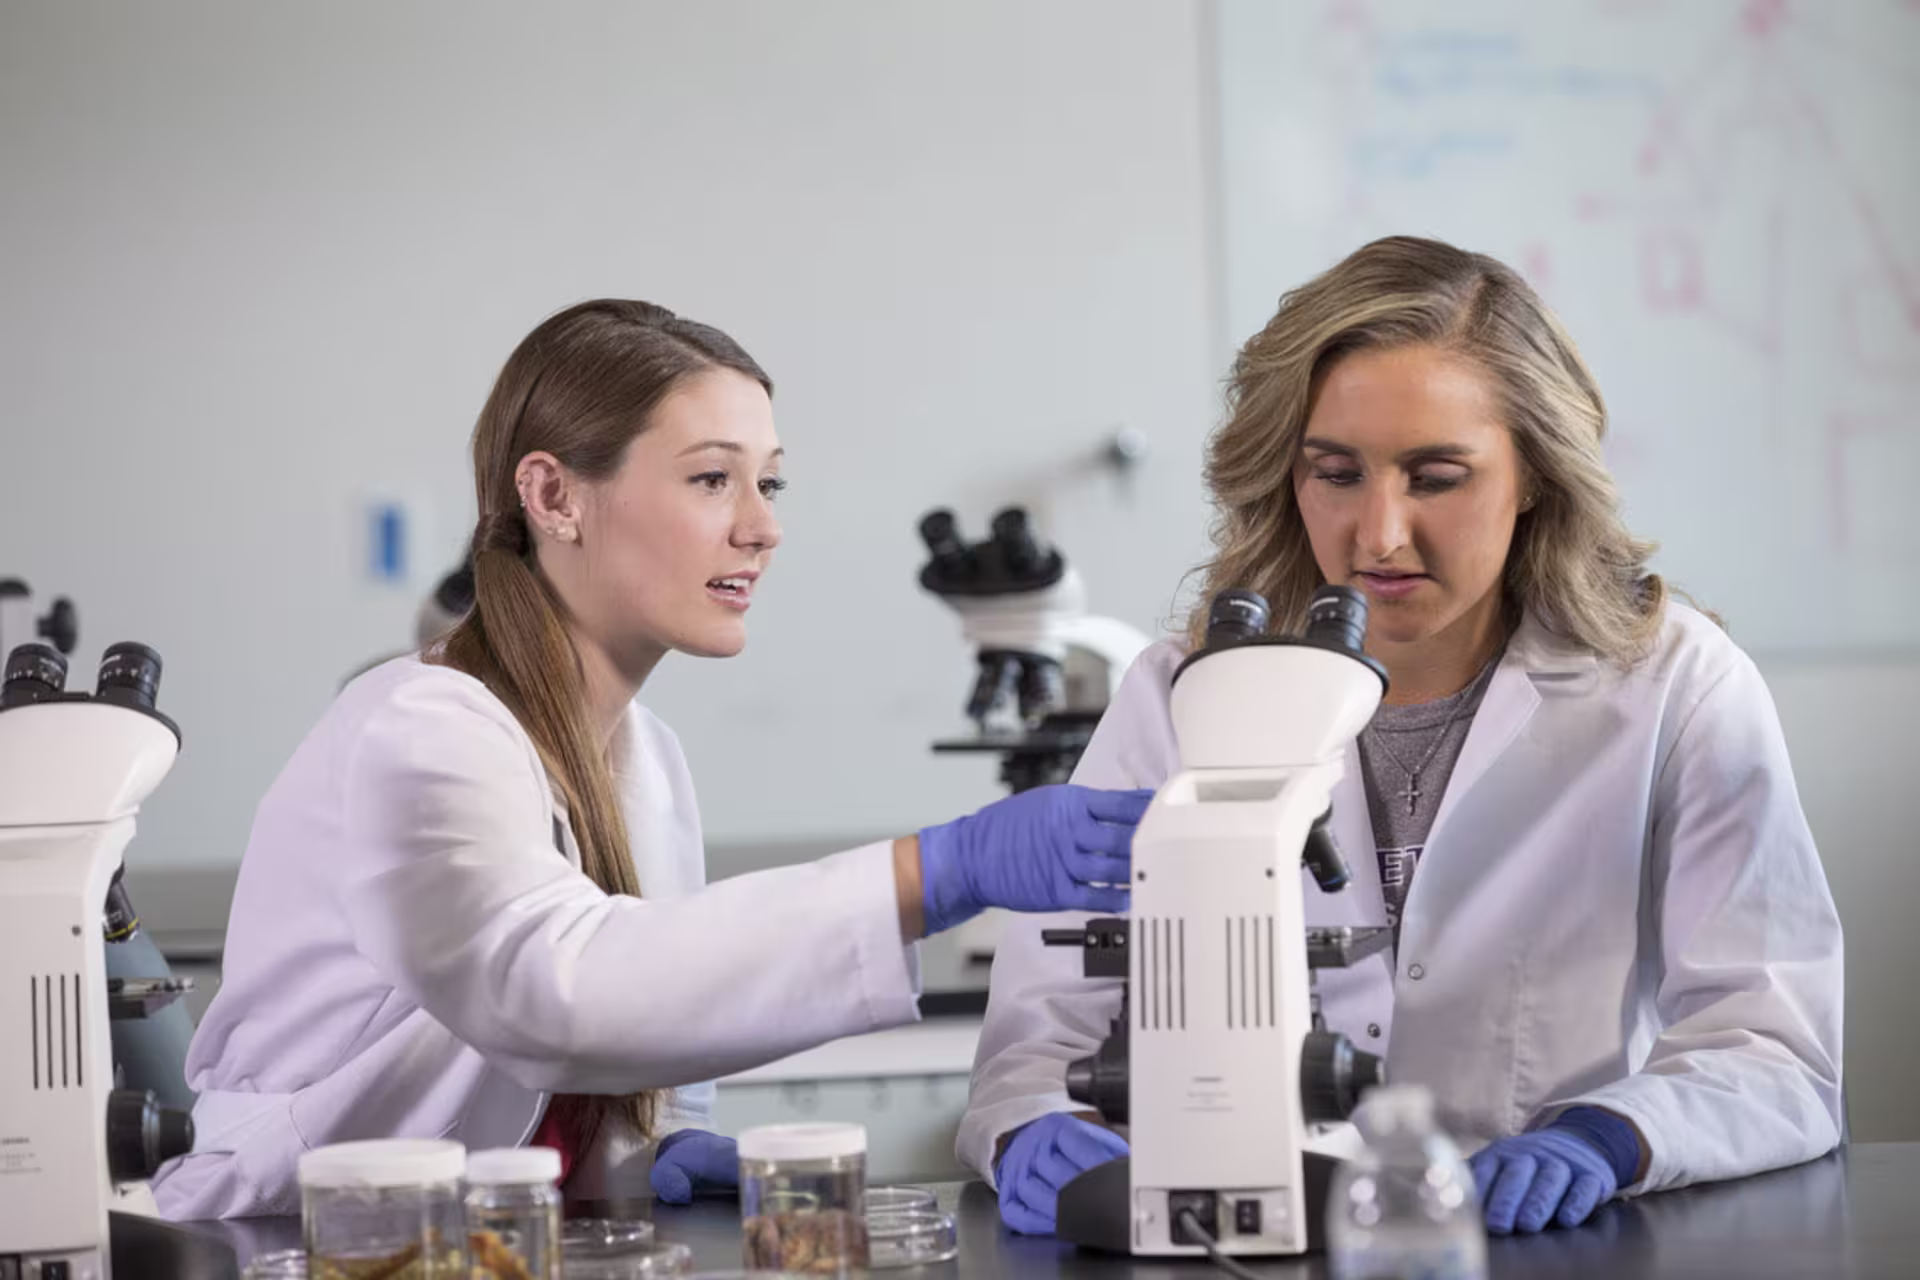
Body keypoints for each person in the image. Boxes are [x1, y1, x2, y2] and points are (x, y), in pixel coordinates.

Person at [154, 300, 1150, 1220]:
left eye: (770, 479)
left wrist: (655, 1145)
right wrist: (933, 871)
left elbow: (608, 1050)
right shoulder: (417, 731)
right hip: (293, 1239)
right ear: (552, 494)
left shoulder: (645, 759)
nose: (763, 525)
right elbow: (548, 995)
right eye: (713, 477)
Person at [960, 236, 1844, 1237]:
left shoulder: (1669, 683)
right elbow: (1039, 1035)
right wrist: (1037, 1123)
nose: (1379, 533)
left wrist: (1609, 1133)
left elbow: (1775, 1045)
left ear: (1536, 478)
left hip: (1540, 1241)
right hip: (1250, 1236)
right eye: (1335, 473)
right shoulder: (1183, 692)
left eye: (1436, 476)